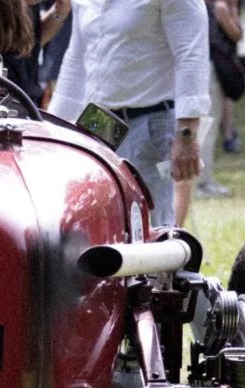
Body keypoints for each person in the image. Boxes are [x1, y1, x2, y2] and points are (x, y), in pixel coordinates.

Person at [49, 0, 209, 229]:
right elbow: (77, 59)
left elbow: (192, 56)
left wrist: (187, 134)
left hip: (151, 120)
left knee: (154, 227)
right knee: (103, 222)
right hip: (98, 121)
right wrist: (55, 124)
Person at [195, 0, 240, 199]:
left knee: (206, 128)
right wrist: (234, 9)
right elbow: (237, 34)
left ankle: (204, 180)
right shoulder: (219, 8)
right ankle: (203, 182)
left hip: (205, 70)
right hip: (210, 71)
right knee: (208, 128)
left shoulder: (201, 7)